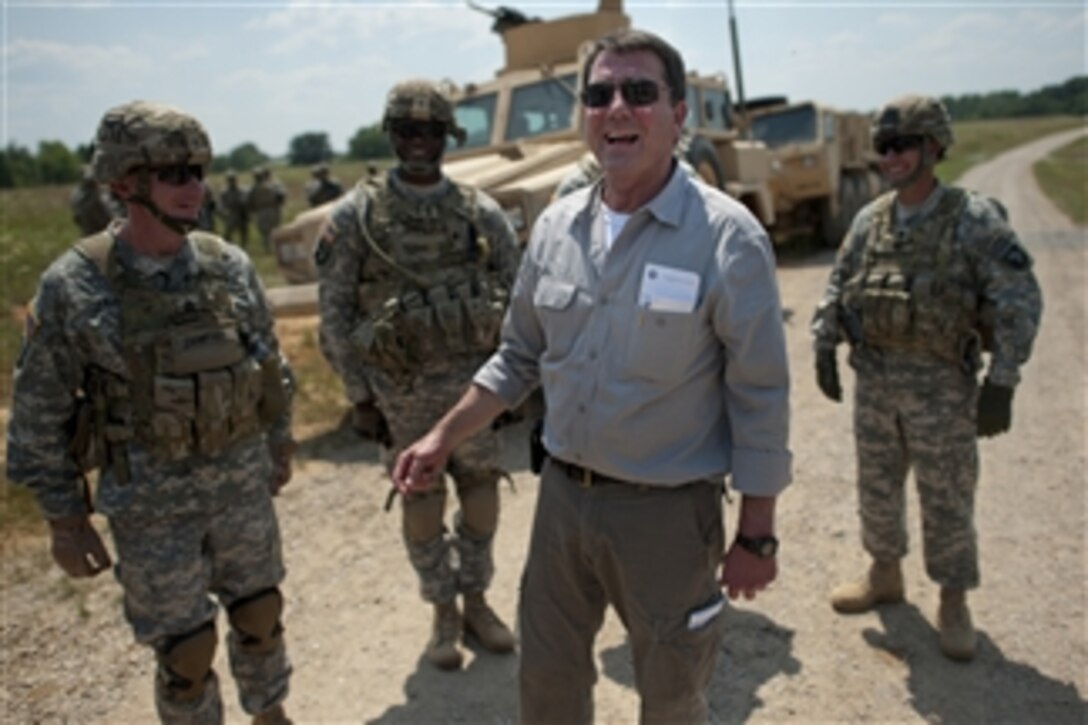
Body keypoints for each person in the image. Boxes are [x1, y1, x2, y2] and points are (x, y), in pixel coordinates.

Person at [394, 30, 792, 723]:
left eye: (639, 92)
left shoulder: (727, 240)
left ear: (678, 114)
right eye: (599, 94)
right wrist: (441, 436)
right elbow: (519, 355)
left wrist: (756, 531)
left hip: (666, 513)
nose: (616, 109)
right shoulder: (556, 228)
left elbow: (759, 391)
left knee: (670, 696)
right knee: (546, 687)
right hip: (562, 504)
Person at [6, 100, 297, 724]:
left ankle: (271, 713)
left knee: (260, 616)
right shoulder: (75, 285)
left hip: (241, 490)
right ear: (123, 183)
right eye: (173, 173)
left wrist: (279, 441)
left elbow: (270, 366)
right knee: (186, 653)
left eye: (198, 171)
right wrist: (65, 518)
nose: (194, 187)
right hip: (151, 510)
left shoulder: (228, 265)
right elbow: (39, 412)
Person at [811, 94, 1042, 662]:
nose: (889, 157)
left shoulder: (973, 220)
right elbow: (840, 285)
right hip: (877, 383)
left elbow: (1019, 299)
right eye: (883, 146)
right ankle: (884, 573)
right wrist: (824, 339)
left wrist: (1003, 382)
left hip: (942, 388)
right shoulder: (870, 219)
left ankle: (953, 599)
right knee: (878, 488)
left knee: (947, 498)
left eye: (902, 145)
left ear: (933, 147)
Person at [314, 79, 521, 671]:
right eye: (407, 130)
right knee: (421, 500)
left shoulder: (478, 212)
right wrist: (359, 396)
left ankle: (477, 601)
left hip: (473, 393)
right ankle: (442, 613)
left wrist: (513, 385)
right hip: (399, 395)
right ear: (391, 134)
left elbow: (519, 295)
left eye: (430, 131)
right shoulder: (358, 216)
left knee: (481, 495)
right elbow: (335, 313)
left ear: (447, 136)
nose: (418, 142)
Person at [247, 166, 286, 250]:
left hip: (265, 210)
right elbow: (281, 196)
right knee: (271, 230)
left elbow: (250, 202)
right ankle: (274, 247)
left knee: (267, 231)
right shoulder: (273, 184)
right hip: (270, 209)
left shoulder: (254, 188)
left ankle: (270, 248)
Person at [70, 164, 114, 235]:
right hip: (103, 233)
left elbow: (76, 218)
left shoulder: (76, 194)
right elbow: (109, 218)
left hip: (88, 232)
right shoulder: (99, 196)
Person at [219, 171, 250, 247]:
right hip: (232, 214)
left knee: (243, 233)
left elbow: (247, 202)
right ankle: (228, 247)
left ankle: (243, 247)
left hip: (242, 214)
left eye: (233, 179)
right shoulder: (225, 192)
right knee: (228, 233)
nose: (232, 181)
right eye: (230, 179)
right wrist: (223, 215)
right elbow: (221, 205)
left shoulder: (243, 190)